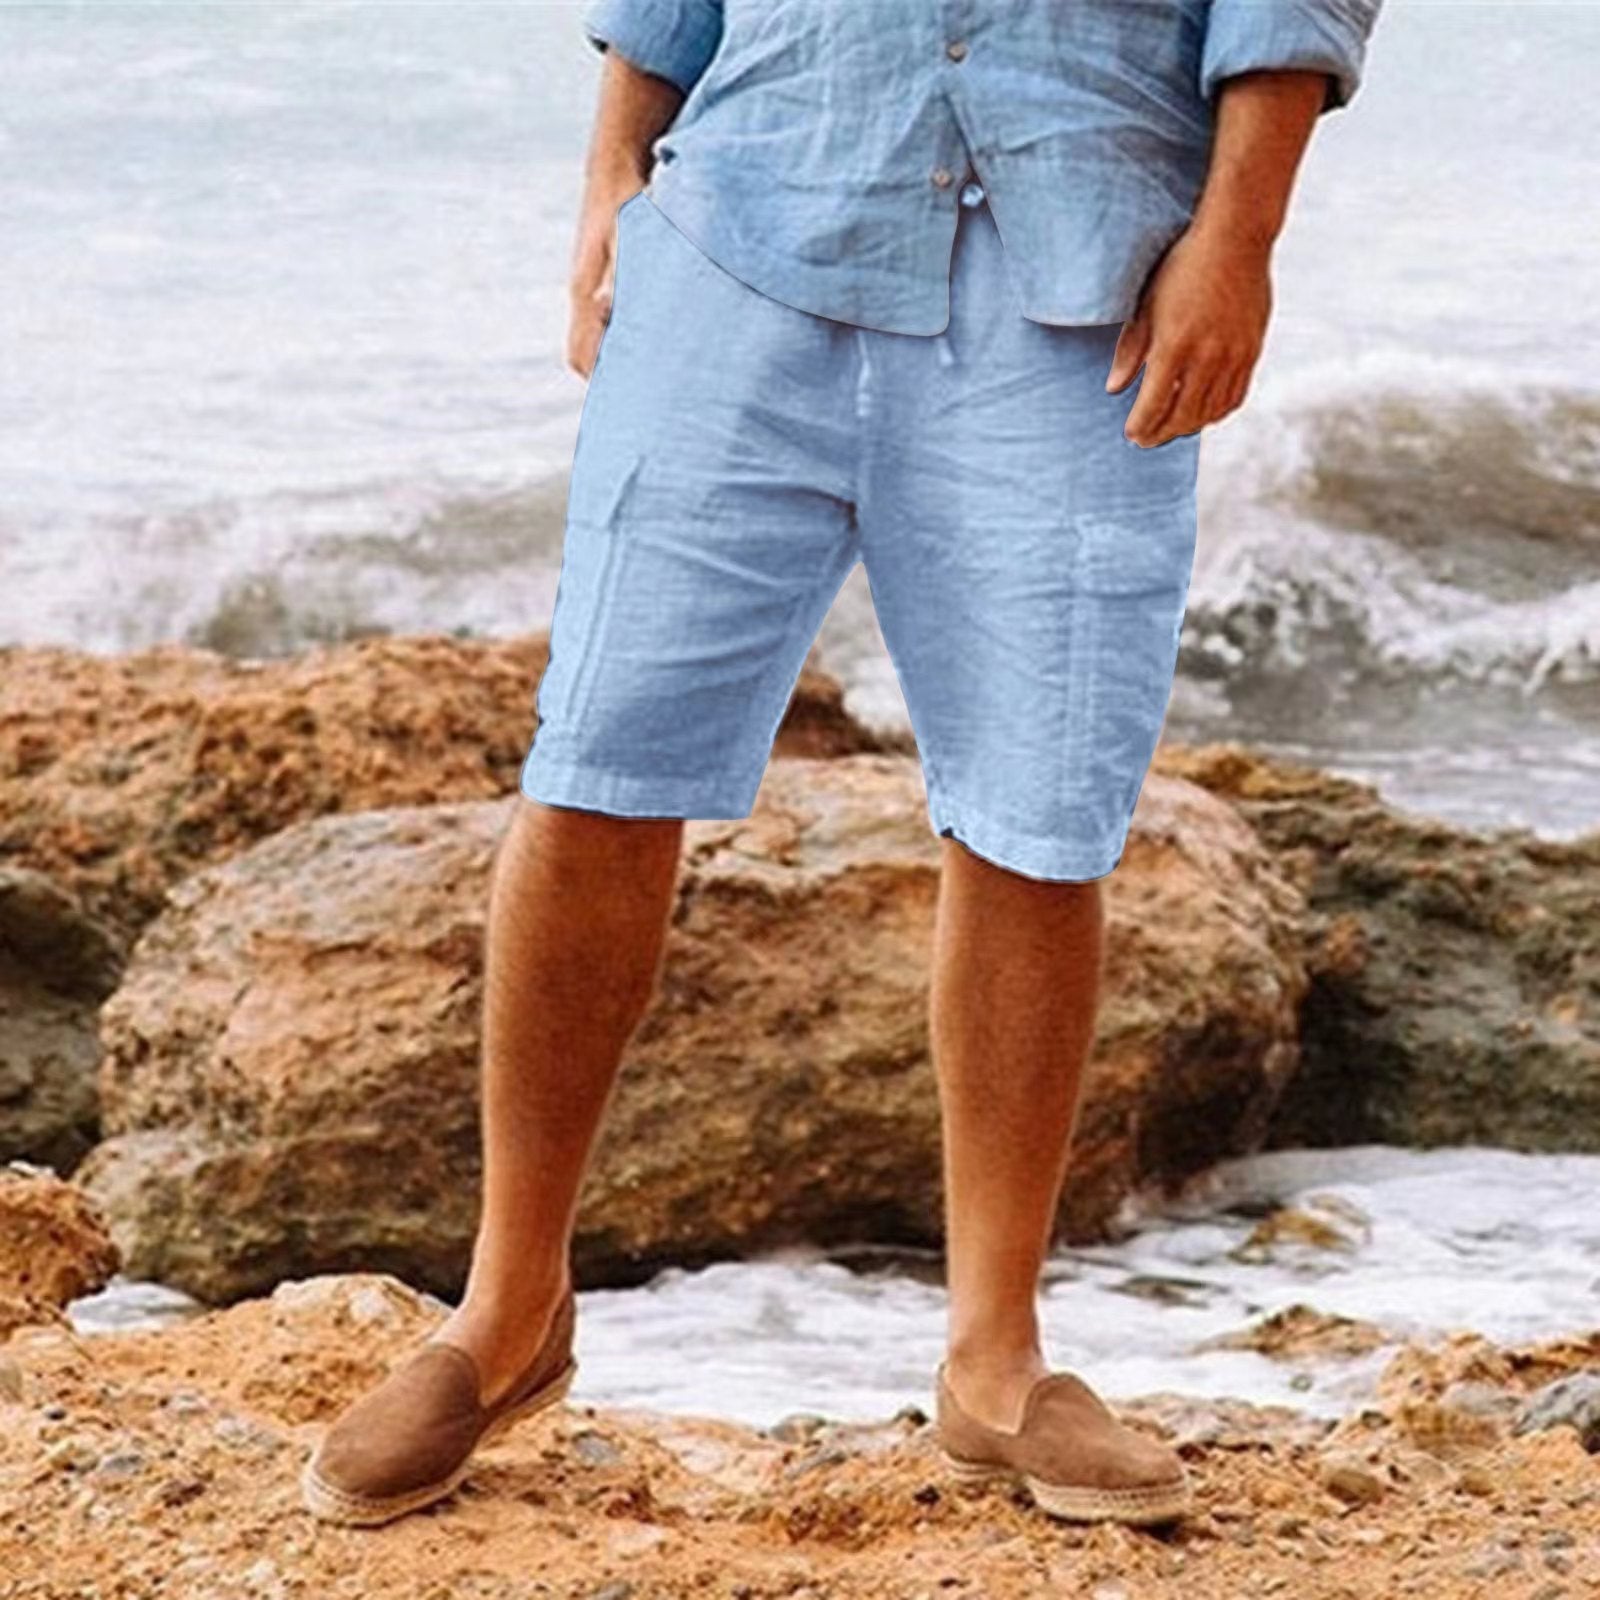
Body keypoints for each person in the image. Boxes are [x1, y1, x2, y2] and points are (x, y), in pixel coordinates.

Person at [302, 0, 1383, 1529]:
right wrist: (611, 181)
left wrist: (1240, 236)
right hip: (742, 231)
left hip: (1081, 265)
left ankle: (995, 1362)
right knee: (599, 762)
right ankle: (505, 1311)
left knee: (1035, 811)